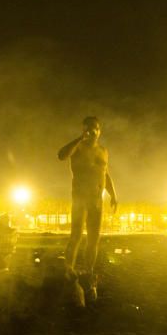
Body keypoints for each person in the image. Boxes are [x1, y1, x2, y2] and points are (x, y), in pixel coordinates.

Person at [57, 116, 118, 286]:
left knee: (93, 239)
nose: (93, 131)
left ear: (100, 131)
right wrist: (79, 138)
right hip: (80, 198)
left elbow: (105, 174)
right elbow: (61, 155)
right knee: (75, 236)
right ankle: (69, 268)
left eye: (96, 128)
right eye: (88, 128)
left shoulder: (103, 151)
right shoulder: (78, 147)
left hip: (97, 200)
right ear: (83, 129)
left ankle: (88, 270)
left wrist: (113, 195)